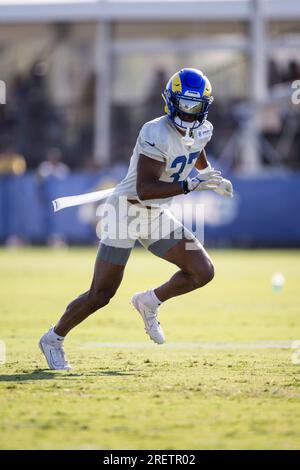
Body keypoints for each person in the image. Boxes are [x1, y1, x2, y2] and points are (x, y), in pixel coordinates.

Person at [39, 68, 233, 370]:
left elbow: (195, 147)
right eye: (184, 104)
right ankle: (53, 338)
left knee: (202, 271)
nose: (188, 112)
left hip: (156, 214)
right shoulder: (155, 132)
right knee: (101, 294)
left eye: (195, 107)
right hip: (126, 212)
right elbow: (145, 188)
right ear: (170, 102)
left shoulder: (203, 129)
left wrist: (207, 174)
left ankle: (149, 302)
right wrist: (189, 185)